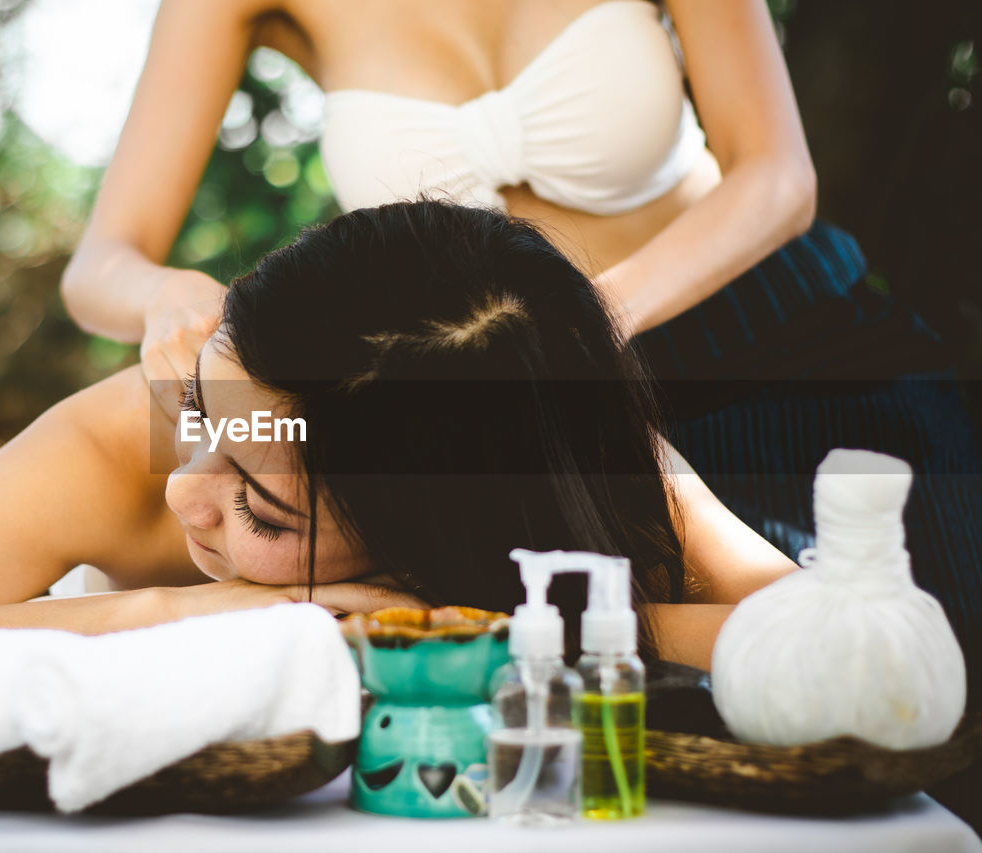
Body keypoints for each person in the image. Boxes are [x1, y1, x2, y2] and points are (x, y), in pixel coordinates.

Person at [58, 0, 982, 702]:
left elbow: (781, 177)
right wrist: (167, 291)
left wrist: (574, 333)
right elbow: (100, 262)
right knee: (527, 683)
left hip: (784, 346)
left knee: (891, 678)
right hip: (509, 413)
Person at [0, 200, 799, 761]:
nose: (188, 488)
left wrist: (492, 621)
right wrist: (205, 611)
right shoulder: (117, 443)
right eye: (199, 418)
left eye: (261, 505)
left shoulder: (559, 461)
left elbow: (823, 636)